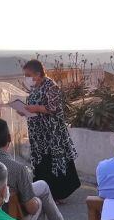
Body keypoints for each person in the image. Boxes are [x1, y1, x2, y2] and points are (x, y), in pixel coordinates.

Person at [21, 59, 81, 200]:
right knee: (41, 163)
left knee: (53, 162)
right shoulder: (35, 87)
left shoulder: (51, 86)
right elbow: (33, 105)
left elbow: (53, 108)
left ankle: (58, 194)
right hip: (38, 134)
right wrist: (24, 110)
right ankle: (42, 192)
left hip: (51, 134)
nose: (26, 78)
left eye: (28, 75)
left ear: (38, 73)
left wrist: (36, 108)